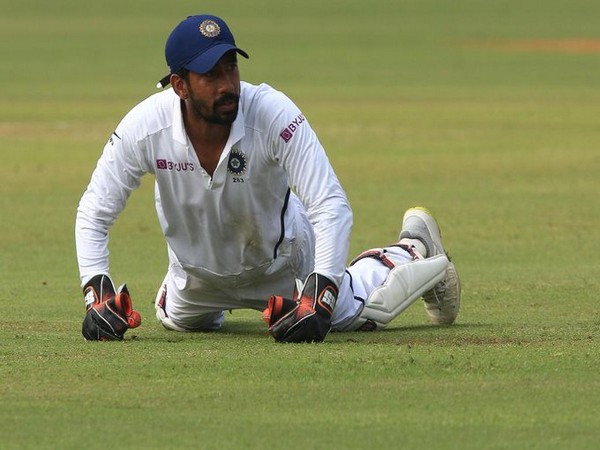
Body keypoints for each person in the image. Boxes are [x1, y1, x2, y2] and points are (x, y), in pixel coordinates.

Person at [76, 14, 460, 343]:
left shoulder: (273, 113)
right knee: (178, 323)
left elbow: (330, 205)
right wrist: (96, 293)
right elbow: (94, 213)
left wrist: (321, 291)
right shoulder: (144, 127)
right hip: (195, 282)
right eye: (211, 75)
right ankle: (178, 290)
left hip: (282, 267)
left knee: (351, 315)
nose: (228, 84)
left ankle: (416, 248)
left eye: (231, 67)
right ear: (180, 85)